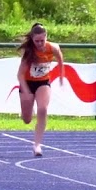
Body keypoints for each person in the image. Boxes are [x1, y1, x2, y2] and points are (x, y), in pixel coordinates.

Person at [17, 23, 64, 157]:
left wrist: (61, 76)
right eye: (36, 41)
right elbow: (19, 75)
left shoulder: (53, 47)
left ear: (46, 37)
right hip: (27, 83)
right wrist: (25, 91)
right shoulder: (29, 52)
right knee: (27, 119)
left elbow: (60, 59)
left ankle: (37, 145)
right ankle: (27, 109)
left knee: (43, 109)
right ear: (32, 39)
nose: (39, 43)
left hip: (43, 82)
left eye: (42, 40)